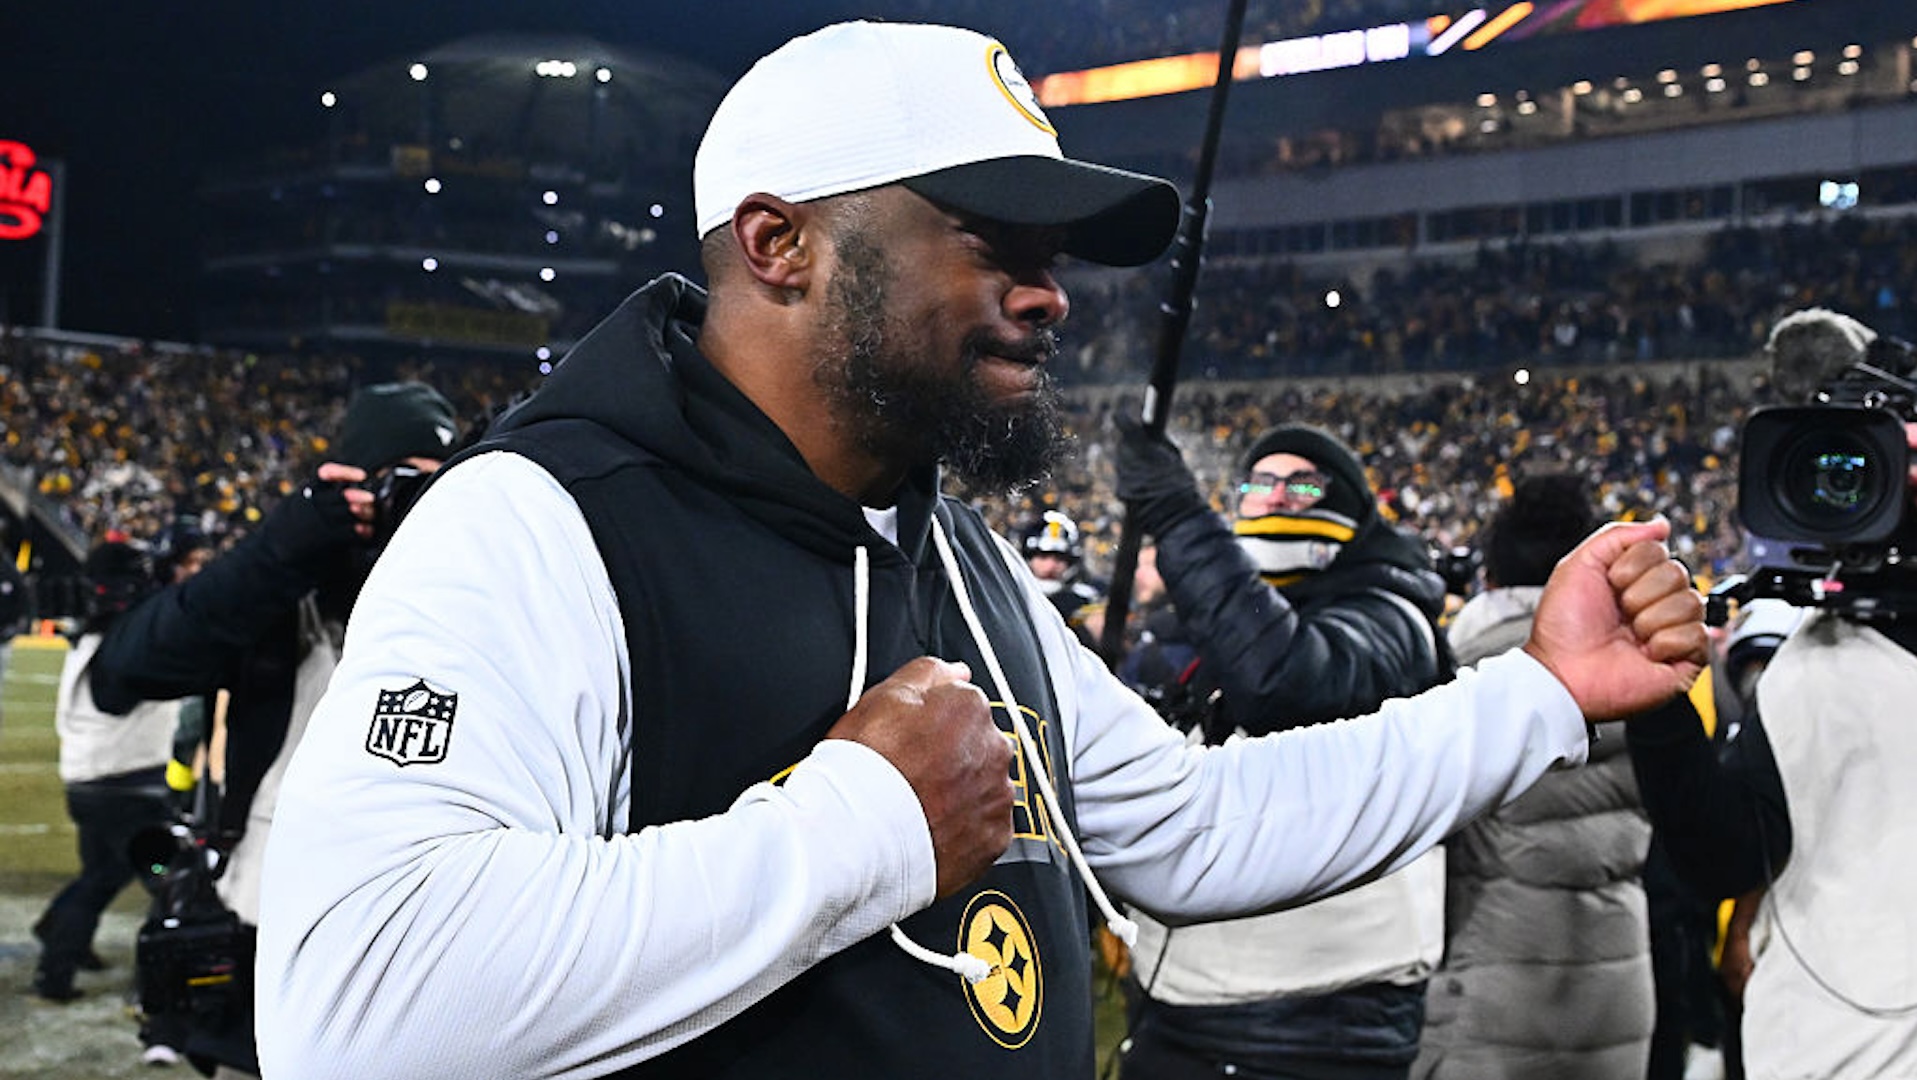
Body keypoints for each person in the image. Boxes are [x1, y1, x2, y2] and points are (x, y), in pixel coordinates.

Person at [253, 21, 1705, 1080]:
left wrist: (1546, 696)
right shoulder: (544, 518)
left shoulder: (950, 545)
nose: (1050, 295)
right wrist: (866, 825)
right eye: (991, 236)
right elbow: (361, 1005)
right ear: (780, 244)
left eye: (1057, 255)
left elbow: (1198, 825)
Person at [89, 381, 460, 1077]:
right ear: (345, 486)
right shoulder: (284, 592)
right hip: (265, 930)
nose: (413, 505)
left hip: (418, 944)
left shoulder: (475, 591)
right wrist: (281, 550)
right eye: (396, 484)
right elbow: (124, 674)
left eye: (434, 487)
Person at [1110, 422, 1454, 1080]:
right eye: (1258, 483)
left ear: (1352, 507)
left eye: (1301, 484)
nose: (1273, 498)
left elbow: (1284, 683)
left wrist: (1181, 517)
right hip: (1178, 997)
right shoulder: (1188, 627)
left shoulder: (1391, 616)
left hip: (1315, 1016)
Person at [1410, 473, 1662, 1079]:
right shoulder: (1643, 677)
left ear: (1490, 578)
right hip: (1618, 983)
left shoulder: (1462, 676)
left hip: (1488, 985)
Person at [30, 538, 178, 1005]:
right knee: (168, 881)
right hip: (128, 789)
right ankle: (154, 989)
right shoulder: (126, 643)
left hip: (92, 784)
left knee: (103, 873)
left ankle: (58, 937)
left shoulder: (91, 636)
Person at [1021, 508, 1105, 645]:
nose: (1050, 566)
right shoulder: (1013, 594)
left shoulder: (1086, 600)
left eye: (1059, 558)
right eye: (1043, 556)